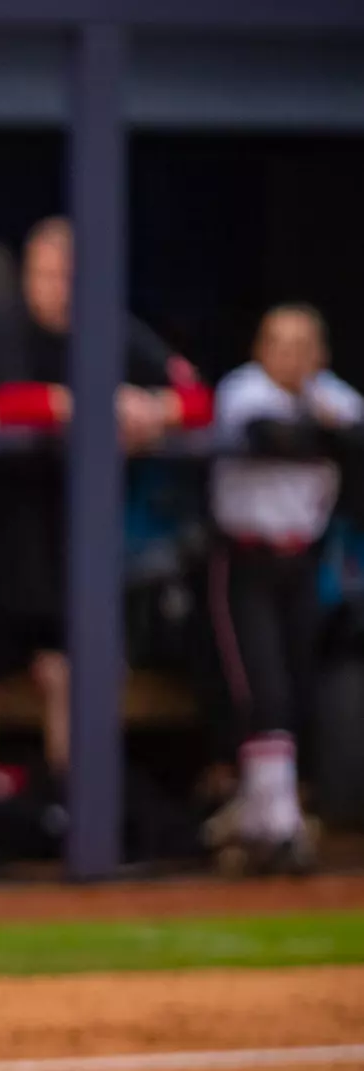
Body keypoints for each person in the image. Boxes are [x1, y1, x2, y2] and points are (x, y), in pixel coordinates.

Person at [0, 215, 211, 876]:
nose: (54, 287)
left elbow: (198, 400)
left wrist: (155, 410)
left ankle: (82, 826)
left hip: (72, 544)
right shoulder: (4, 326)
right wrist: (90, 404)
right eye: (44, 273)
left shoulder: (111, 328)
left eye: (66, 274)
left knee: (77, 677)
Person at [204, 303, 359, 871]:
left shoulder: (333, 393)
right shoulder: (244, 390)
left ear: (320, 354)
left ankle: (262, 816)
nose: (290, 357)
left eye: (301, 346)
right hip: (245, 558)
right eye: (278, 344)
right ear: (259, 349)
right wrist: (327, 433)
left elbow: (357, 437)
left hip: (302, 561)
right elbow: (270, 434)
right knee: (262, 688)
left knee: (296, 687)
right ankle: (280, 823)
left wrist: (329, 432)